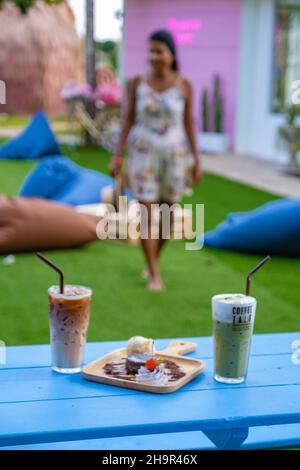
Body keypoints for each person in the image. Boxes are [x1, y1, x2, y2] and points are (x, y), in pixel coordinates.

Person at [110, 29, 202, 291]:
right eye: (150, 50)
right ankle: (153, 273)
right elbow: (127, 120)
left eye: (159, 51)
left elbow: (189, 124)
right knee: (148, 214)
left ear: (172, 54)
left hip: (175, 158)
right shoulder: (137, 83)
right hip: (143, 154)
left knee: (168, 216)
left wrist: (197, 159)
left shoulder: (184, 84)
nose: (153, 56)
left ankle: (152, 261)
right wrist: (118, 156)